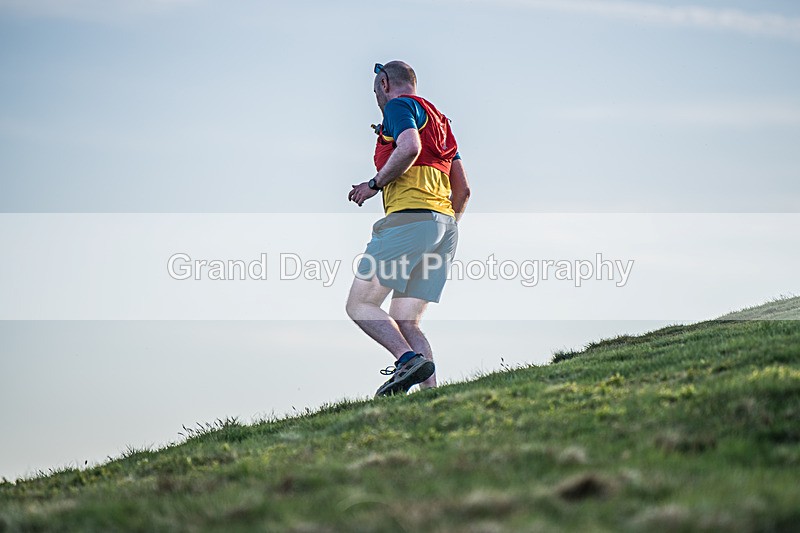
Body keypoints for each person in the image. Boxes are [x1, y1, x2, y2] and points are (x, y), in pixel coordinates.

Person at [346, 60, 471, 397]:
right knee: (405, 319)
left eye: (375, 91)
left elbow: (410, 147)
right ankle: (431, 396)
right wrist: (440, 230)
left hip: (410, 218)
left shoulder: (400, 106)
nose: (377, 99)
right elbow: (463, 191)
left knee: (360, 304)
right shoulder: (441, 121)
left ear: (384, 83)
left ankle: (406, 361)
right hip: (445, 226)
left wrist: (374, 183)